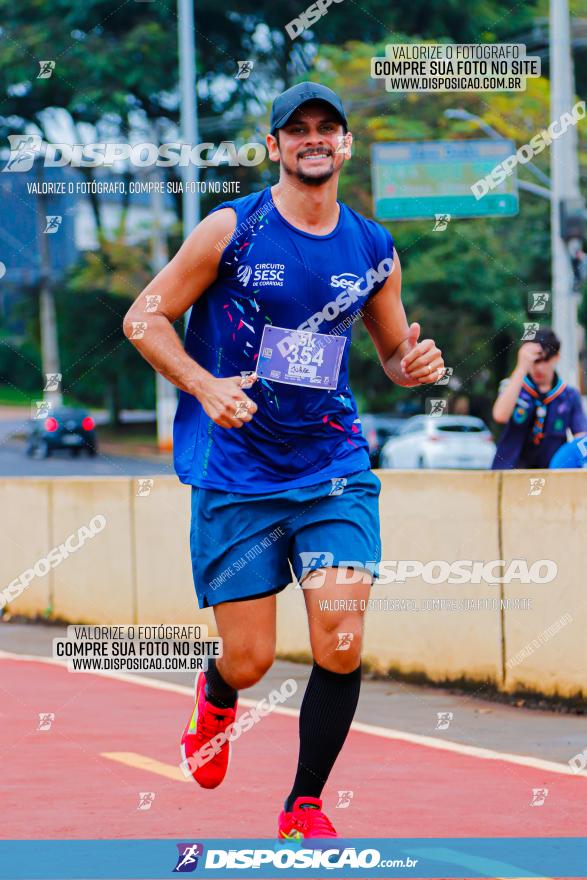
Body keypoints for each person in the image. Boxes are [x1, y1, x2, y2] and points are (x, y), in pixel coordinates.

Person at [124, 81, 445, 839]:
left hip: (331, 464)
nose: (312, 139)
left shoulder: (372, 247)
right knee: (250, 661)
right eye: (295, 129)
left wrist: (412, 364)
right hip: (237, 475)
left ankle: (303, 805)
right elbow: (144, 317)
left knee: (340, 636)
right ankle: (216, 694)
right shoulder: (231, 230)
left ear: (344, 145)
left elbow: (391, 353)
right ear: (273, 146)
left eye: (325, 129)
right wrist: (204, 386)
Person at [491, 328, 587, 470]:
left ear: (556, 357)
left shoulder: (569, 396)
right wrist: (521, 367)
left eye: (544, 360)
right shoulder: (513, 386)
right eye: (534, 361)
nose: (538, 368)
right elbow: (500, 415)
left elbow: (581, 438)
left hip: (549, 478)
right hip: (509, 474)